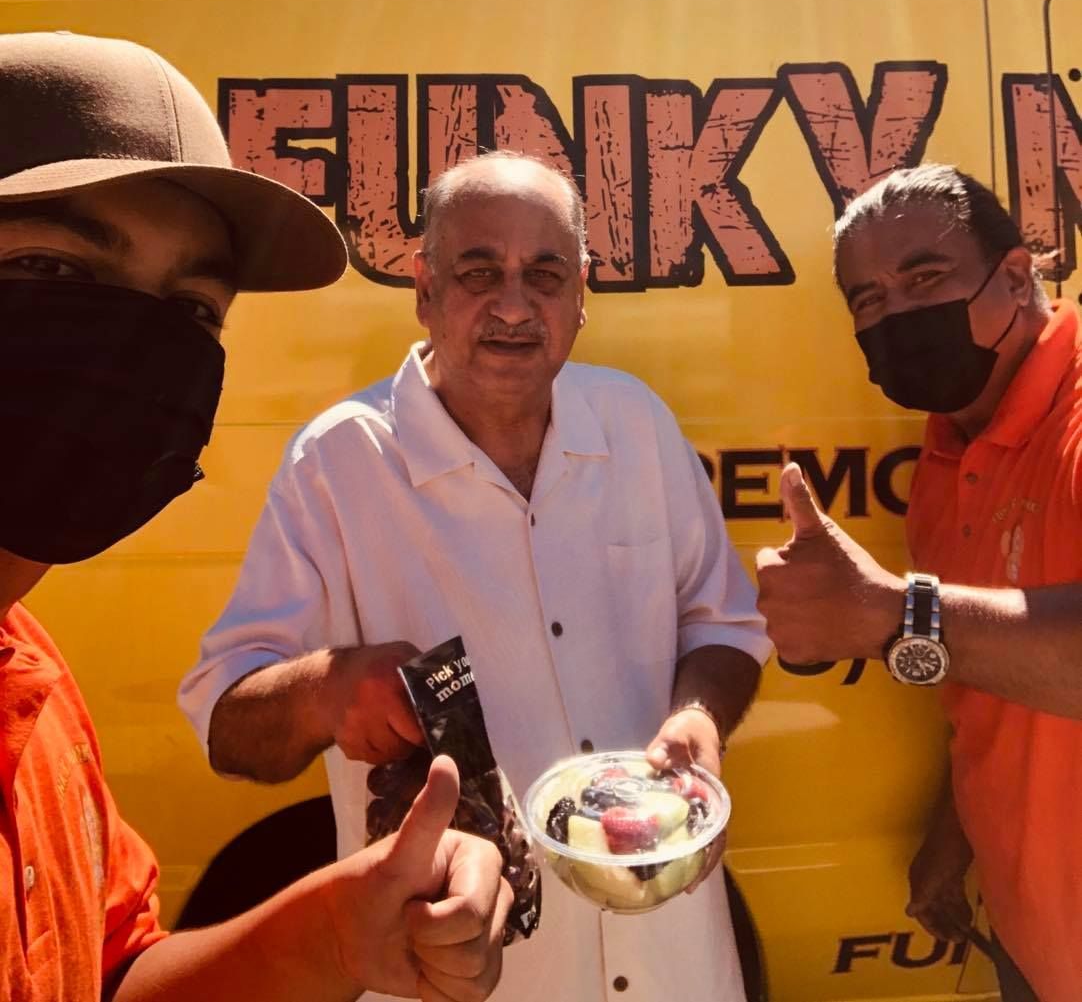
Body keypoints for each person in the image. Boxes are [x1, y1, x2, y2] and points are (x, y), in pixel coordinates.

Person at [180, 150, 771, 1002]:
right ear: (423, 287)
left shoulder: (636, 423)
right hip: (465, 978)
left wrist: (696, 719)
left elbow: (724, 625)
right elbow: (224, 717)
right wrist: (330, 688)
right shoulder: (338, 463)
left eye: (545, 274)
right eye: (478, 270)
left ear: (581, 296)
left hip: (678, 961)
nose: (513, 306)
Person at [0, 32, 510, 1002]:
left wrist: (335, 934)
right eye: (55, 271)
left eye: (193, 309)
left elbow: (109, 973)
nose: (129, 354)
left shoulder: (32, 674)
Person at [756, 163, 1082, 1002]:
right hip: (1033, 944)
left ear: (1016, 275)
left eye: (924, 277)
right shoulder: (943, 458)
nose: (896, 314)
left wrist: (891, 615)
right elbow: (992, 671)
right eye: (867, 299)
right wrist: (956, 835)